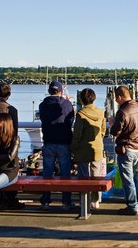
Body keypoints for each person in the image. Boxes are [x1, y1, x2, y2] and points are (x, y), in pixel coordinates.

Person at [109, 86, 138, 215]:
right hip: (137, 147)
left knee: (128, 180)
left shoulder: (123, 111)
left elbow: (115, 132)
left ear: (119, 97)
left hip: (126, 148)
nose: (116, 101)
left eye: (116, 99)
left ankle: (132, 206)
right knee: (134, 178)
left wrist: (112, 123)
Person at [39, 80, 75, 210]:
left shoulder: (43, 105)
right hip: (64, 142)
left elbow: (43, 119)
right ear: (61, 91)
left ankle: (46, 200)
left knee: (47, 172)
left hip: (48, 141)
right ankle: (66, 201)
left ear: (49, 91)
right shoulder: (67, 104)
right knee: (65, 172)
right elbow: (71, 120)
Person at [70, 88, 106, 210]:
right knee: (96, 175)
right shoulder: (101, 112)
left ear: (82, 99)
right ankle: (95, 201)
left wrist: (73, 147)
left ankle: (84, 201)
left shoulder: (80, 114)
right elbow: (103, 130)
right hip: (97, 147)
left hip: (83, 149)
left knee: (83, 176)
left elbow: (77, 134)